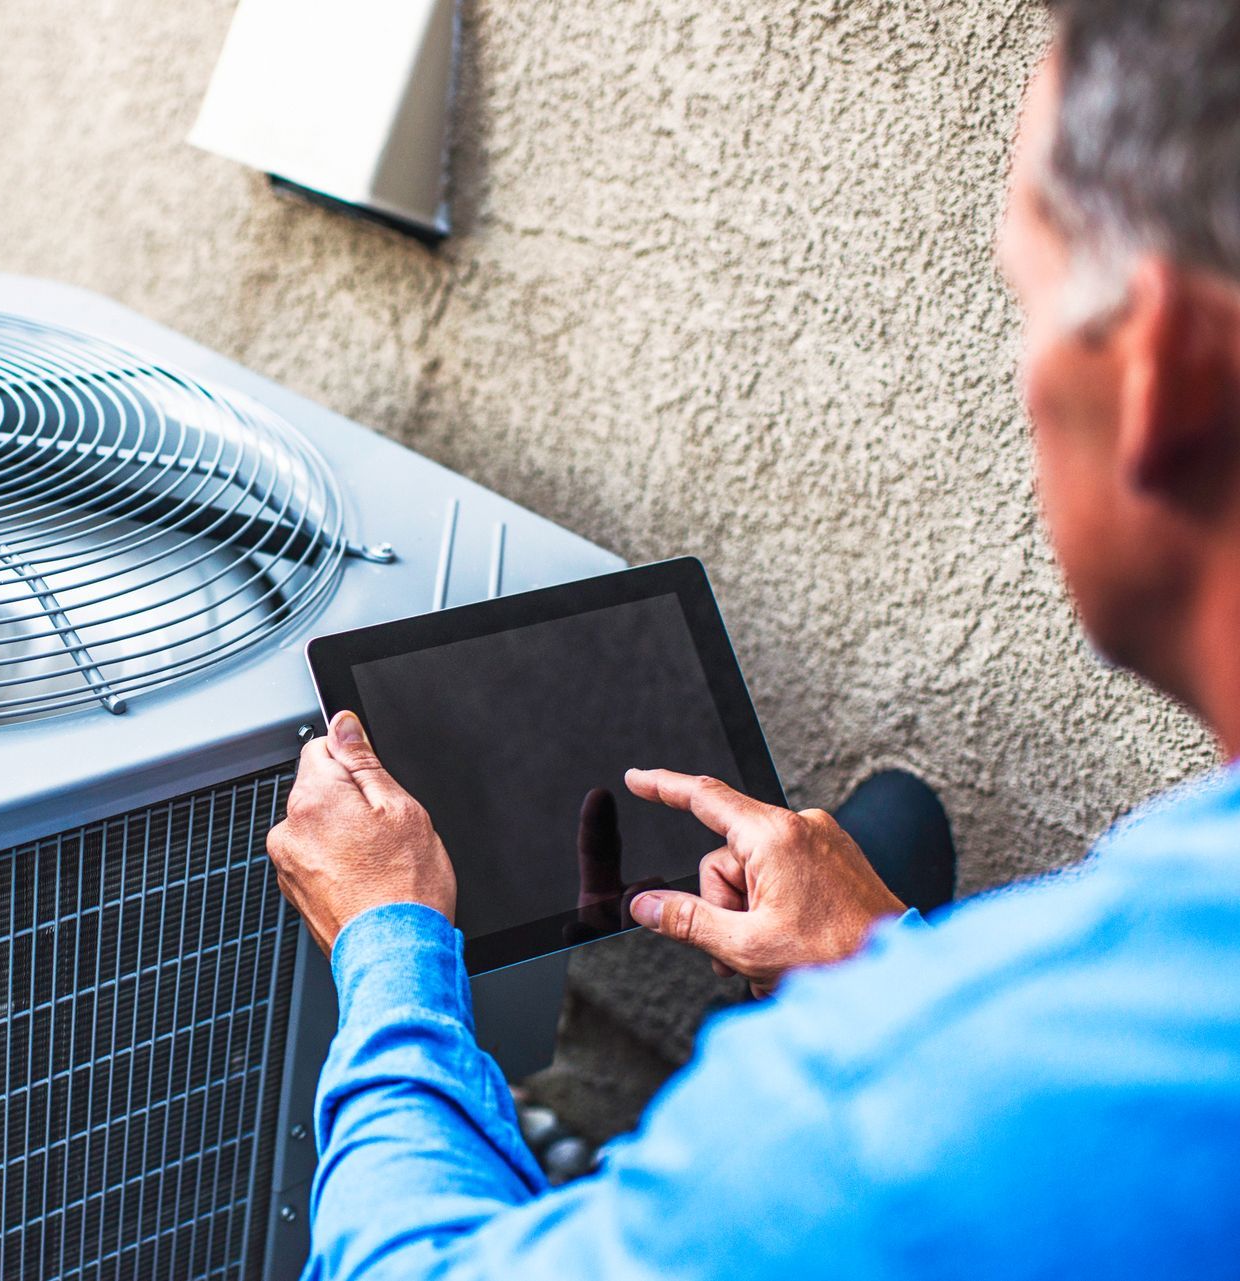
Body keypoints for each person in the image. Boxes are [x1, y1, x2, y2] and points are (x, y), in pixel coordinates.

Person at [264, 2, 1240, 1276]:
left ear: (1156, 369)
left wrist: (392, 943)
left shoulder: (873, 1110)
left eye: (1029, 300)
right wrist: (888, 956)